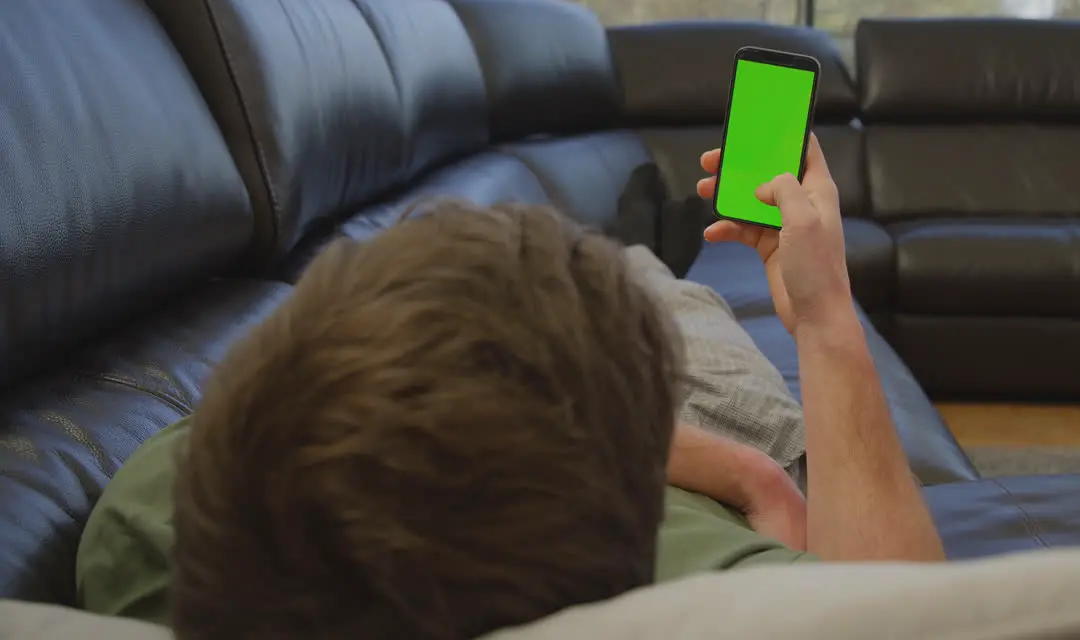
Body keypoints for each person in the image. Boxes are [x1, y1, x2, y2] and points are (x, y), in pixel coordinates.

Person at [76, 137, 941, 639]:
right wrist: (823, 322)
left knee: (634, 276)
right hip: (684, 436)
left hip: (531, 410)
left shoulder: (155, 524)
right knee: (660, 286)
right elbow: (916, 621)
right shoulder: (712, 585)